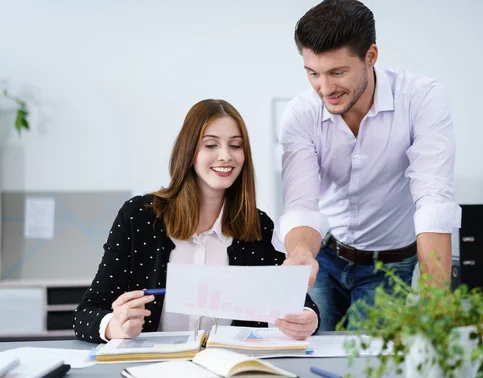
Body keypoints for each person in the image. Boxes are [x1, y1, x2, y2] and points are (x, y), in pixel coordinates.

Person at [275, 0, 461, 331]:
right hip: (325, 258)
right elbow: (301, 203)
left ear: (371, 56)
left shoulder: (421, 99)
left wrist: (436, 301)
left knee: (366, 368)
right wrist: (301, 253)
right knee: (308, 351)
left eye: (337, 72)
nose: (325, 88)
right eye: (313, 74)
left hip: (389, 266)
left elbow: (433, 200)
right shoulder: (300, 114)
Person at [74, 99, 320, 343]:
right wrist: (115, 326)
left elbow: (299, 303)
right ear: (189, 151)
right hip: (155, 371)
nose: (225, 156)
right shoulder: (138, 216)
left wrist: (309, 319)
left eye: (235, 146)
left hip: (233, 370)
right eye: (211, 145)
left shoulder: (257, 226)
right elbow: (86, 313)